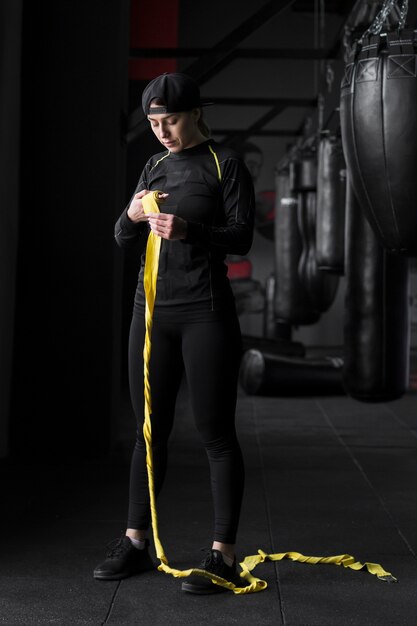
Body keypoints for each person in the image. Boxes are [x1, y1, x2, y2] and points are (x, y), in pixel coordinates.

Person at [93, 72, 255, 594]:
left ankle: (223, 556)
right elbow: (122, 236)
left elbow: (242, 238)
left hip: (204, 313)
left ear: (196, 114)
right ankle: (136, 543)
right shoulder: (155, 163)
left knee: (215, 433)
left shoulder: (224, 164)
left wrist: (190, 230)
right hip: (151, 315)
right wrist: (130, 212)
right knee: (148, 430)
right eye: (155, 122)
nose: (162, 131)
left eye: (172, 120)